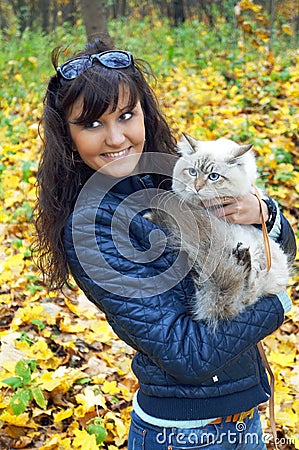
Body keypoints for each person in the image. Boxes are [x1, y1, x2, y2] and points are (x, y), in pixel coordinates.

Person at [34, 38, 296, 450]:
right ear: (66, 135)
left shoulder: (169, 178)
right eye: (92, 123)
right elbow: (188, 355)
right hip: (184, 434)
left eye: (125, 115)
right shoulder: (91, 227)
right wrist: (277, 303)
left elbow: (273, 253)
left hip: (244, 421)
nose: (117, 137)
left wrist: (265, 215)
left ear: (144, 113)